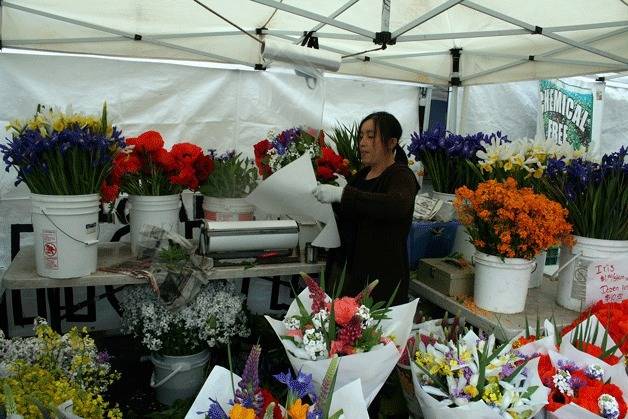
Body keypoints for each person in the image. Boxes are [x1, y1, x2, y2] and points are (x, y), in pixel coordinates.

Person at [313, 111, 419, 306]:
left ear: (392, 142)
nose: (362, 142)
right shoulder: (361, 176)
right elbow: (351, 212)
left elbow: (395, 205)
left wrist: (342, 195)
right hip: (353, 276)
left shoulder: (401, 176)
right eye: (361, 136)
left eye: (371, 137)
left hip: (383, 282)